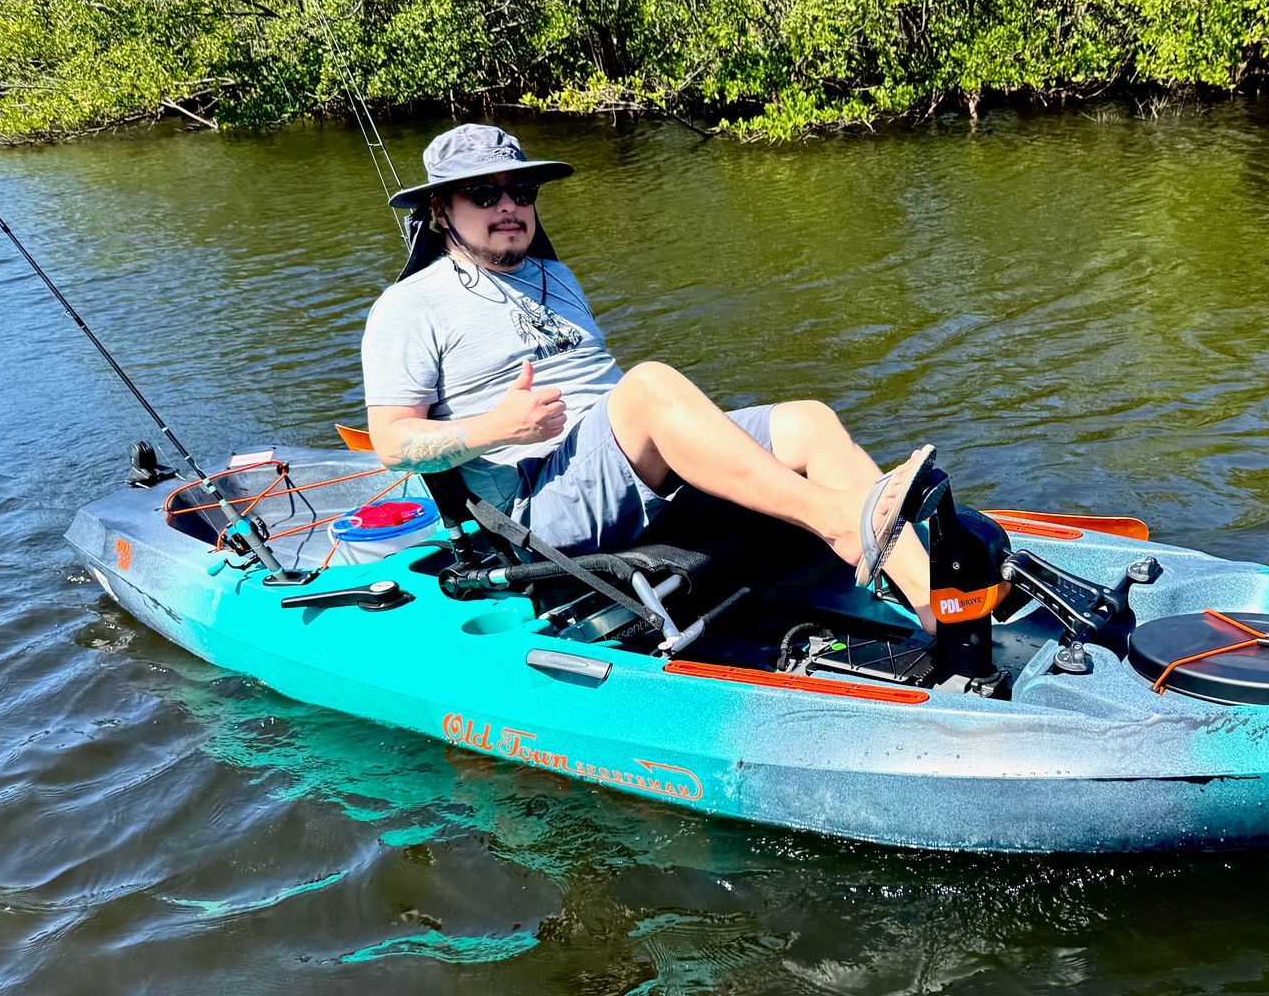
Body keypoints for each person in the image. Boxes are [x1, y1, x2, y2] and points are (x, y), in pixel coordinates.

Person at [361, 124, 935, 628]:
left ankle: (931, 596)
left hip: (624, 472)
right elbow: (392, 444)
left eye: (522, 191)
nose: (508, 206)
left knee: (810, 421)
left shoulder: (553, 275)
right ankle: (835, 520)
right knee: (649, 386)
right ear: (441, 211)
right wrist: (496, 428)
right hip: (540, 509)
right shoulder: (408, 306)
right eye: (484, 194)